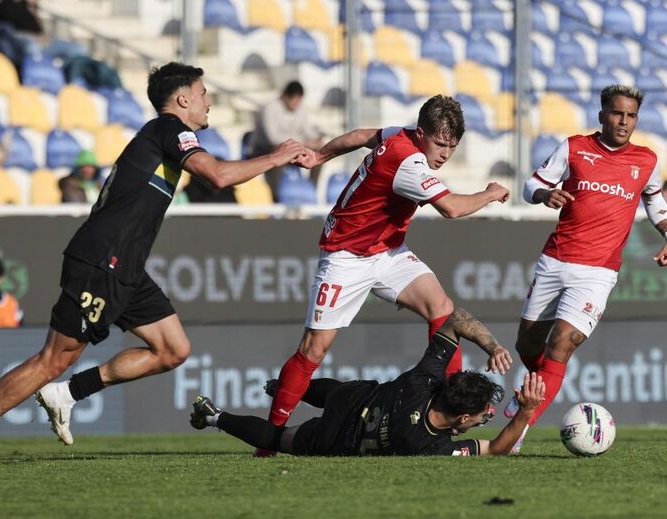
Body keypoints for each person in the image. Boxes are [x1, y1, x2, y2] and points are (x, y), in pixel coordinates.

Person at [0, 61, 311, 470]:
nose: (209, 103)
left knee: (172, 349)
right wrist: (276, 157)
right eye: (204, 94)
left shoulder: (162, 135)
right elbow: (218, 176)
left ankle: (67, 394)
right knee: (53, 360)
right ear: (183, 99)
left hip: (125, 266)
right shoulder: (171, 129)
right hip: (102, 261)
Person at [258, 95, 510, 456]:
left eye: (452, 147)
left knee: (442, 309)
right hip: (346, 256)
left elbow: (361, 135)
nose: (444, 154)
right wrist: (488, 193)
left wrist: (320, 156)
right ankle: (268, 438)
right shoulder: (408, 163)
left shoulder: (400, 135)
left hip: (387, 251)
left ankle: (445, 406)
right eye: (439, 144)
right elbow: (452, 209)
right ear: (421, 134)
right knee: (313, 350)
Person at [505, 84, 667, 453]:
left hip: (598, 272)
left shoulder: (645, 159)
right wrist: (544, 194)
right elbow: (530, 184)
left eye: (631, 116)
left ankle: (518, 427)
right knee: (527, 343)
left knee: (561, 343)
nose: (624, 122)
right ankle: (537, 386)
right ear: (602, 115)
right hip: (555, 260)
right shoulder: (574, 147)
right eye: (617, 113)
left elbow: (653, 197)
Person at [191, 308, 540, 457]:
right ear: (463, 419)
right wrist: (525, 412)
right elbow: (495, 449)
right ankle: (214, 417)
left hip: (354, 399)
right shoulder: (427, 446)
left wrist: (492, 346)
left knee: (338, 392)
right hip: (337, 439)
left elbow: (456, 319)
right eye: (483, 416)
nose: (485, 417)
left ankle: (281, 387)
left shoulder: (425, 380)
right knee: (278, 439)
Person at [248, 80, 323, 199]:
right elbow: (273, 138)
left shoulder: (301, 108)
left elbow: (307, 130)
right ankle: (276, 198)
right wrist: (302, 142)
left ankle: (311, 192)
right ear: (285, 95)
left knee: (318, 154)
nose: (296, 103)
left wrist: (316, 139)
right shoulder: (270, 109)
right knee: (279, 155)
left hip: (290, 148)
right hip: (263, 149)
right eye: (293, 99)